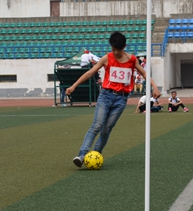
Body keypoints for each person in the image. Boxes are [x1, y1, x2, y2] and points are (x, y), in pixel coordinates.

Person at [66, 31, 159, 168]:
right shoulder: (107, 58)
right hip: (106, 96)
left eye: (118, 49)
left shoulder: (132, 60)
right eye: (113, 49)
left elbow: (144, 73)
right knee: (97, 125)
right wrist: (74, 86)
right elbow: (90, 72)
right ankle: (81, 155)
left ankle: (95, 154)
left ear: (124, 47)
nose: (115, 52)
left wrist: (154, 87)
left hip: (121, 99)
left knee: (106, 129)